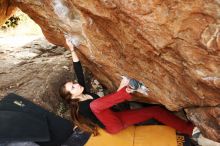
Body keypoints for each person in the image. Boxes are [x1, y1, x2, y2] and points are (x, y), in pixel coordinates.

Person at [59, 37, 220, 146]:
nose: (76, 85)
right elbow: (99, 107)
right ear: (72, 96)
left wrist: (72, 49)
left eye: (73, 83)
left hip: (119, 117)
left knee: (155, 111)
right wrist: (121, 90)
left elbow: (78, 72)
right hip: (113, 126)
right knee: (95, 105)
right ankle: (127, 89)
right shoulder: (83, 106)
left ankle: (191, 130)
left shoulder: (82, 90)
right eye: (72, 87)